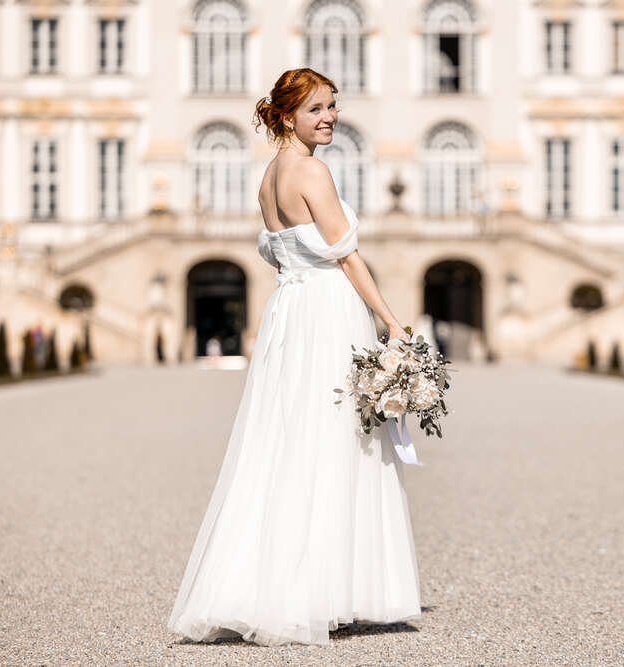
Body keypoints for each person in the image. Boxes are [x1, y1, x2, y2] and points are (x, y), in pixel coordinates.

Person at [167, 68, 421, 647]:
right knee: (336, 441)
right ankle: (326, 590)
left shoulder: (269, 177)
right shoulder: (311, 170)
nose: (330, 116)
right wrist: (391, 321)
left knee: (284, 442)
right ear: (287, 117)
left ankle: (274, 586)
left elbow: (285, 257)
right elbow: (347, 258)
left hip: (289, 315)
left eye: (333, 106)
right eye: (316, 110)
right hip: (327, 311)